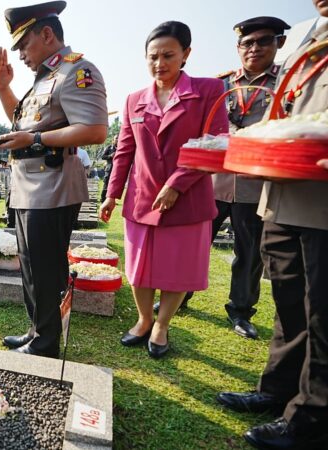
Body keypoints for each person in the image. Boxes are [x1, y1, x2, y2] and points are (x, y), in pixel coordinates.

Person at [218, 2, 328, 447]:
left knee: (322, 309)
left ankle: (313, 418)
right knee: (288, 302)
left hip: (321, 197)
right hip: (282, 190)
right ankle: (278, 389)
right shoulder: (309, 32)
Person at [101, 21, 228, 359]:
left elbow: (214, 145)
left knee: (177, 268)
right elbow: (124, 151)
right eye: (153, 57)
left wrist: (177, 184)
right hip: (142, 198)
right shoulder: (134, 100)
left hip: (188, 198)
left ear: (186, 54)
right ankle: (143, 320)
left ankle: (162, 325)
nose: (160, 63)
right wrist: (112, 193)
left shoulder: (209, 90)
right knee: (139, 267)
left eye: (168, 55)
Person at [0, 1, 108, 358]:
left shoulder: (77, 71)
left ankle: (45, 345)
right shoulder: (43, 79)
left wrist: (37, 140)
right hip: (29, 188)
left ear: (47, 34)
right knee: (30, 268)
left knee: (46, 270)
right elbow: (22, 125)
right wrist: (2, 87)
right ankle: (36, 331)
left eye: (24, 44)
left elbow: (94, 129)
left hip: (53, 188)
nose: (21, 54)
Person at [203, 16, 290, 339]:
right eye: (247, 43)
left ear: (278, 43)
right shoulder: (222, 84)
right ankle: (178, 296)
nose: (254, 48)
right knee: (197, 242)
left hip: (255, 183)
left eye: (263, 41)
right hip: (215, 181)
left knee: (250, 252)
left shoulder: (286, 83)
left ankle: (241, 311)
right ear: (238, 48)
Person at [100, 136, 116, 202]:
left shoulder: (121, 148)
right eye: (116, 138)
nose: (118, 139)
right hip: (109, 168)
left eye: (119, 138)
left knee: (114, 185)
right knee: (106, 184)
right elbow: (102, 156)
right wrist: (110, 156)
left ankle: (111, 201)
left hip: (117, 169)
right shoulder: (109, 148)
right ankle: (103, 199)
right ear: (113, 140)